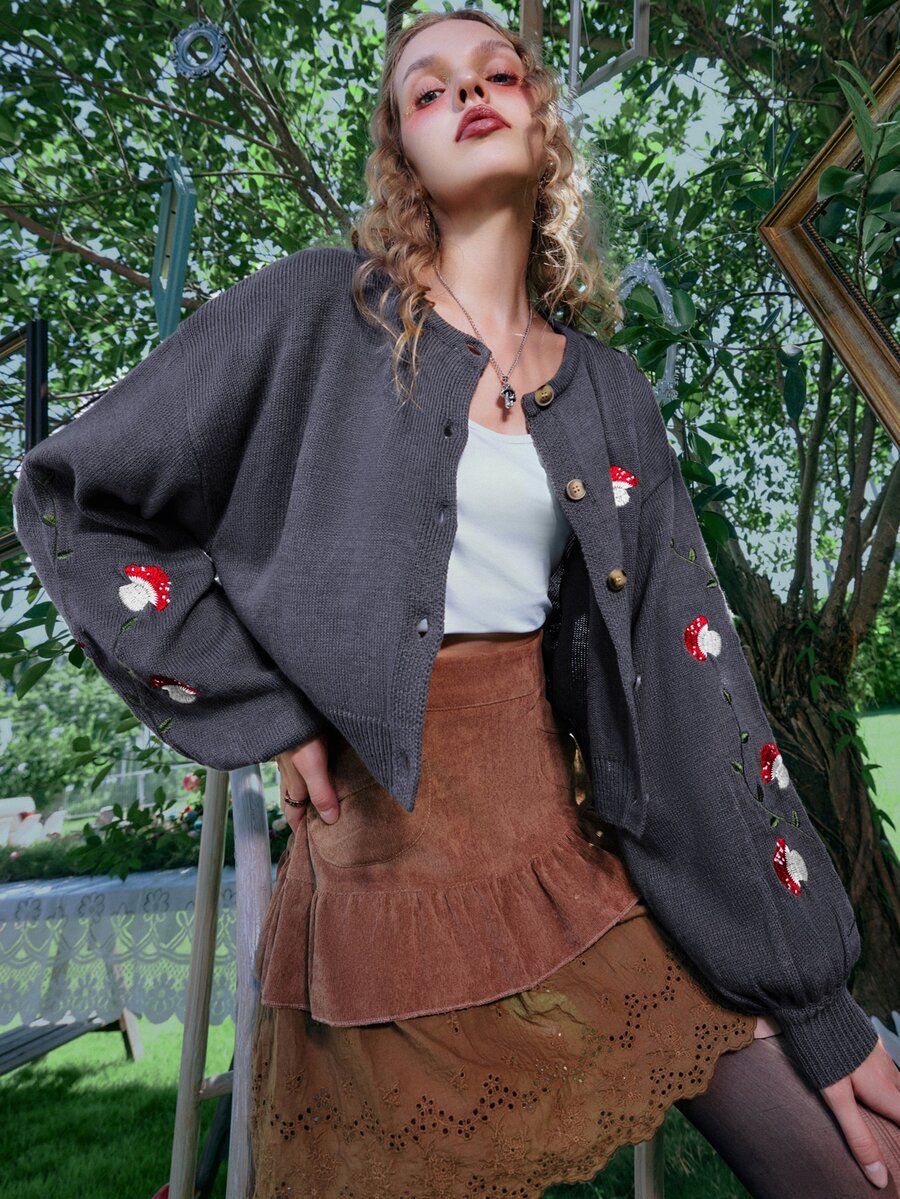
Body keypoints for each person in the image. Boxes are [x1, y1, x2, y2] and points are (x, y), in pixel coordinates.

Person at [12, 8, 899, 1198]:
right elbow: (74, 496)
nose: (469, 93)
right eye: (429, 90)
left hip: (570, 870)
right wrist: (269, 705)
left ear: (542, 123)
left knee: (859, 1165)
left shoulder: (609, 395)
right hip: (383, 902)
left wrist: (815, 1000)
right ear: (402, 156)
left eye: (497, 74)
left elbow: (694, 692)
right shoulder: (315, 313)